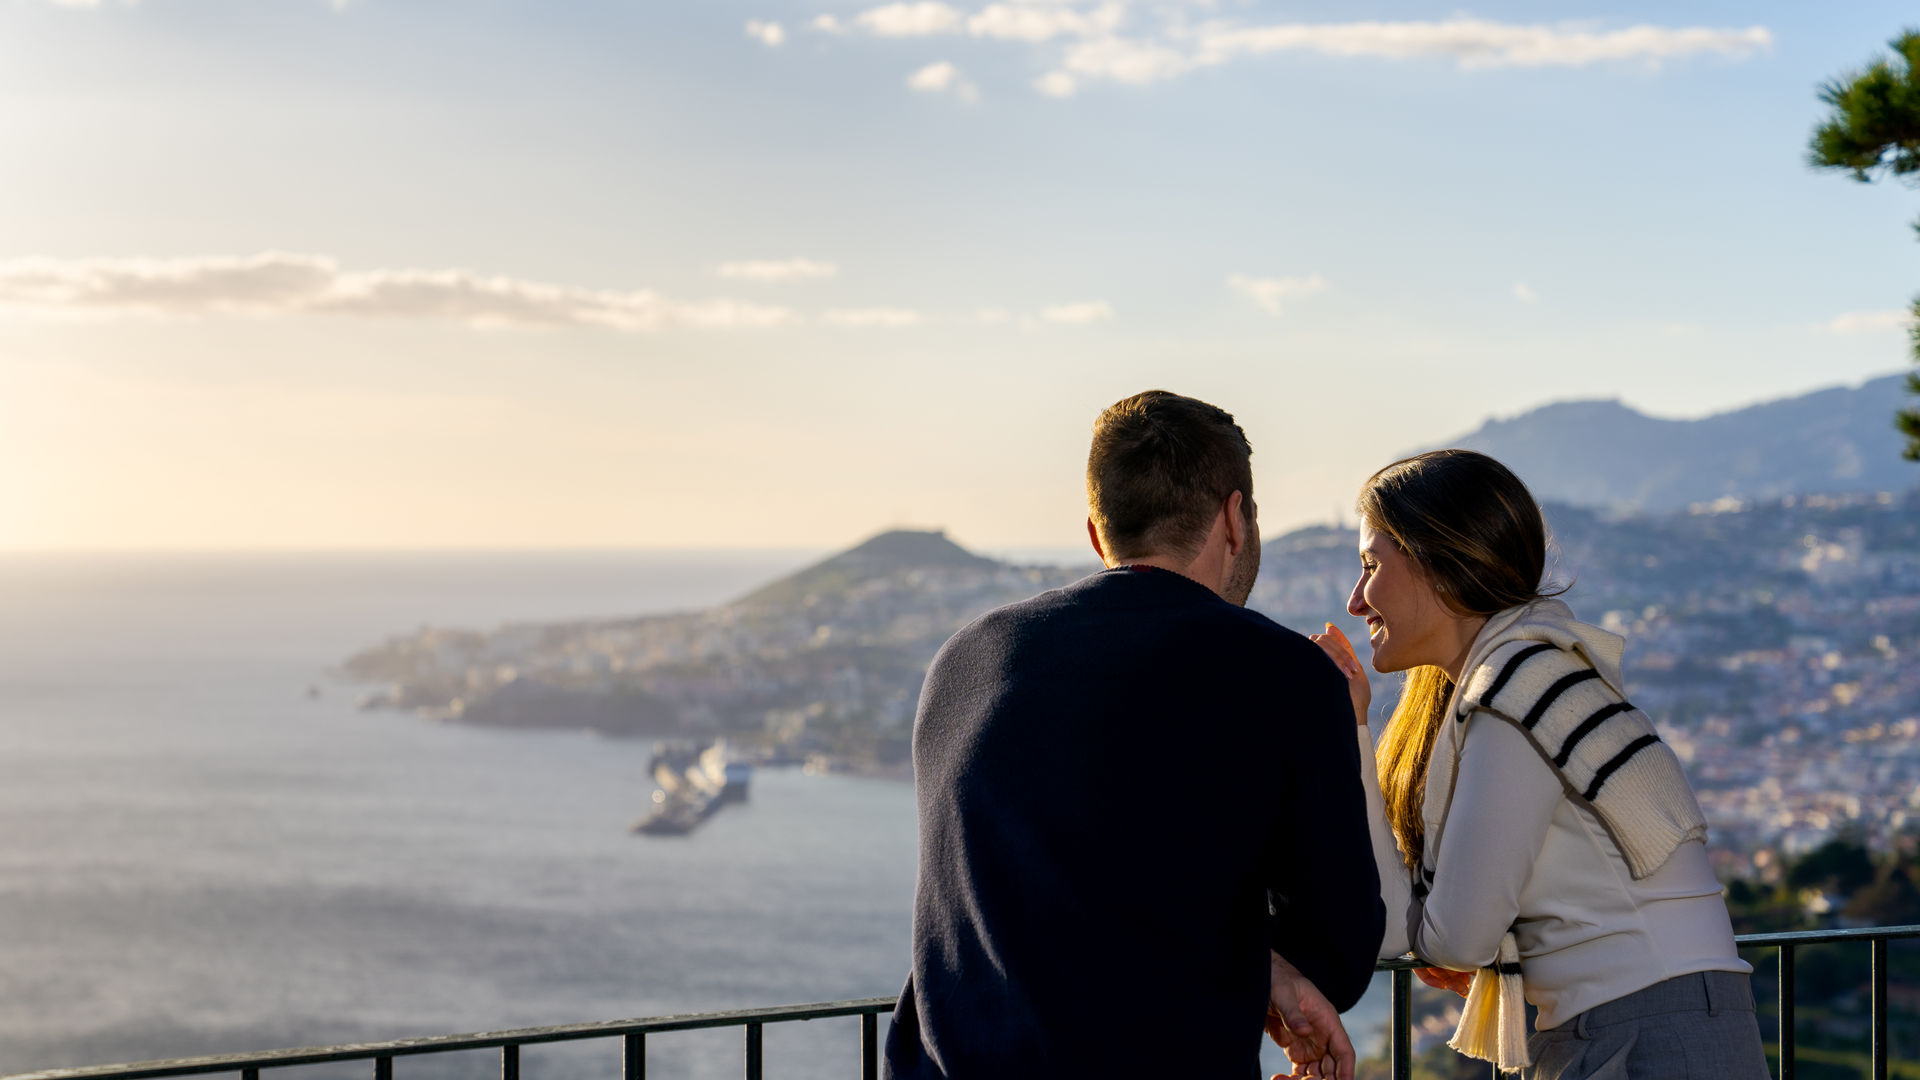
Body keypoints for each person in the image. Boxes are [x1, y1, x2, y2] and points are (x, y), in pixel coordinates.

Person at [883, 390, 1385, 1080]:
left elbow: (1020, 890)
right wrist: (1266, 960)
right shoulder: (1284, 675)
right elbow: (1338, 955)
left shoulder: (965, 659)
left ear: (1097, 532)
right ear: (1235, 519)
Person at [1308, 449, 1768, 1079]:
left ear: (1439, 564)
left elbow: (1453, 941)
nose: (1357, 601)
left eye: (1370, 565)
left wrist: (1351, 730)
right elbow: (1393, 928)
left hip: (1644, 1028)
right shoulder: (1525, 680)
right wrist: (1352, 728)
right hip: (1643, 1021)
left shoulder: (1515, 694)